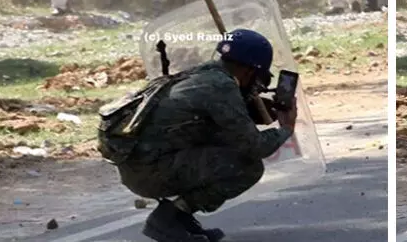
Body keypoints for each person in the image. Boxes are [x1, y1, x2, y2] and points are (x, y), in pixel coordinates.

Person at [113, 29, 297, 242]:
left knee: (226, 151)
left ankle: (179, 217)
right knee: (248, 168)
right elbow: (255, 147)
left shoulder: (203, 74)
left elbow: (212, 131)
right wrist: (286, 128)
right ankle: (167, 218)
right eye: (259, 77)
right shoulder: (222, 86)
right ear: (249, 71)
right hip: (151, 173)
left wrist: (248, 108)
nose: (258, 85)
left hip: (140, 167)